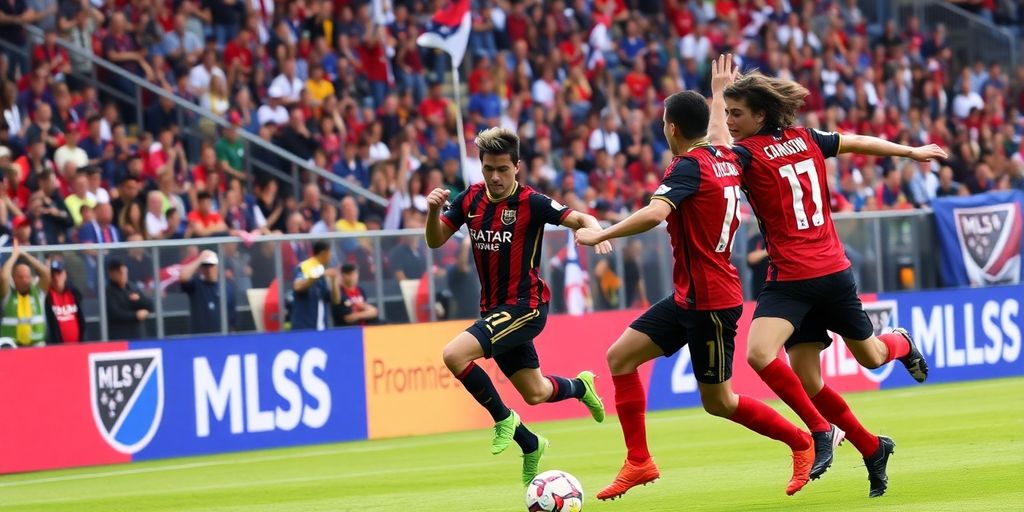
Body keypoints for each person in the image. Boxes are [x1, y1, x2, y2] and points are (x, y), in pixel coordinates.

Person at [715, 56, 941, 497]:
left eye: (736, 113)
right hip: (794, 278)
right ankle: (863, 444)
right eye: (727, 114)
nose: (730, 121)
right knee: (773, 361)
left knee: (873, 357)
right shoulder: (805, 138)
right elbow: (855, 141)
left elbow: (716, 154)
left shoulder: (747, 154)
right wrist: (908, 150)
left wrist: (714, 94)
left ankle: (902, 343)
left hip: (827, 273)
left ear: (760, 114)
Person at [575, 86, 816, 500]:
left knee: (719, 402)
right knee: (619, 357)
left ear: (671, 128)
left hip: (711, 303)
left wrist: (601, 232)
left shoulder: (686, 167)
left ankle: (801, 442)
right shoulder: (723, 156)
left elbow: (654, 213)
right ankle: (639, 462)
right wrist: (719, 95)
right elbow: (720, 134)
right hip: (690, 296)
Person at [425, 127, 609, 486]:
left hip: (526, 306)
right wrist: (433, 212)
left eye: (503, 169)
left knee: (454, 355)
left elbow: (580, 217)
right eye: (488, 168)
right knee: (536, 392)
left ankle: (505, 421)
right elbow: (435, 241)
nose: (494, 176)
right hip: (494, 310)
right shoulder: (469, 200)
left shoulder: (532, 202)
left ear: (517, 167)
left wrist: (596, 231)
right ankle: (563, 406)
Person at [0, 241, 51, 347]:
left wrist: (25, 254)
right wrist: (14, 255)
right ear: (13, 278)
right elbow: (4, 277)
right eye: (20, 277)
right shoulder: (8, 295)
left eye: (27, 276)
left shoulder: (38, 293)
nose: (25, 280)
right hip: (12, 347)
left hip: (36, 346)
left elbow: (46, 273)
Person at [179, 249, 237, 334]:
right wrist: (199, 259)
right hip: (200, 337)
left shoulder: (226, 287)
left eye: (211, 265)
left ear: (217, 266)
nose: (208, 269)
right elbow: (183, 277)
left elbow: (232, 317)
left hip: (221, 336)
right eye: (205, 266)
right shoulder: (196, 284)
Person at [105, 258, 154, 340]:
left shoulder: (132, 287)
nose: (124, 276)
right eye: (120, 273)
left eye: (125, 273)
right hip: (119, 336)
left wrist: (139, 299)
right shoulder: (108, 291)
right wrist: (135, 315)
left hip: (137, 334)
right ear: (112, 274)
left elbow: (150, 305)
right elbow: (115, 313)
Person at [292, 240, 334, 331]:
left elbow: (334, 300)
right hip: (304, 327)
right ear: (324, 253)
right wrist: (316, 275)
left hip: (321, 327)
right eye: (330, 253)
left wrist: (334, 281)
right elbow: (297, 286)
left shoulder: (324, 271)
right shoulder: (305, 266)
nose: (331, 256)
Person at [45, 259, 84, 344]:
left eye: (59, 273)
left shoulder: (74, 293)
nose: (56, 277)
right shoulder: (47, 297)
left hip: (78, 346)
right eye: (52, 275)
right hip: (57, 348)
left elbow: (81, 319)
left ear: (65, 275)